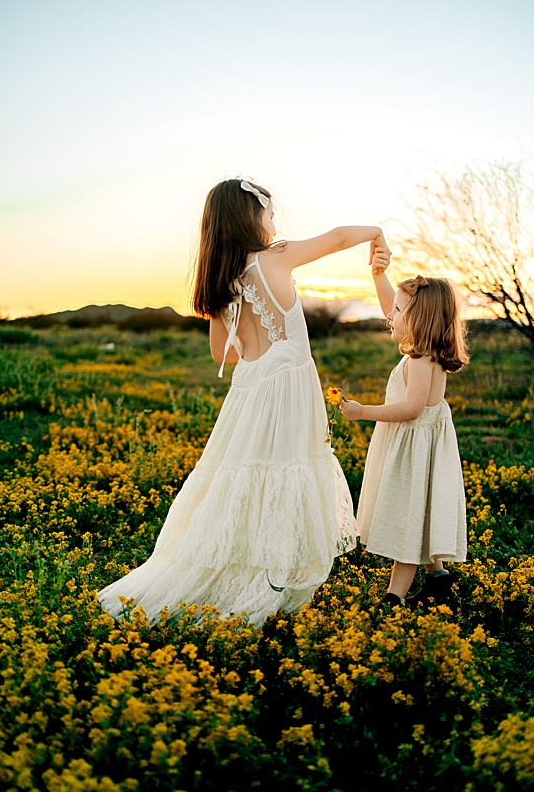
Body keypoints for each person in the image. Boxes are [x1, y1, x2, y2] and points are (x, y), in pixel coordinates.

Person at [98, 177, 385, 625]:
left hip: (251, 390)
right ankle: (273, 575)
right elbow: (338, 238)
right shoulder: (276, 257)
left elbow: (222, 355)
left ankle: (248, 565)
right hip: (288, 387)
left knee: (247, 477)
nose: (274, 220)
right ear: (248, 217)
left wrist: (253, 335)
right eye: (268, 212)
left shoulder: (222, 278)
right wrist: (377, 235)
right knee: (286, 472)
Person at [339, 262, 469, 609]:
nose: (389, 316)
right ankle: (438, 576)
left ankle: (392, 599)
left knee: (408, 520)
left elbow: (412, 410)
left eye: (398, 311)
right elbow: (390, 307)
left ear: (419, 319)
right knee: (417, 511)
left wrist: (363, 412)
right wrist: (378, 275)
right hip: (414, 448)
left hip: (415, 452)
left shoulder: (423, 361)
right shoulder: (425, 353)